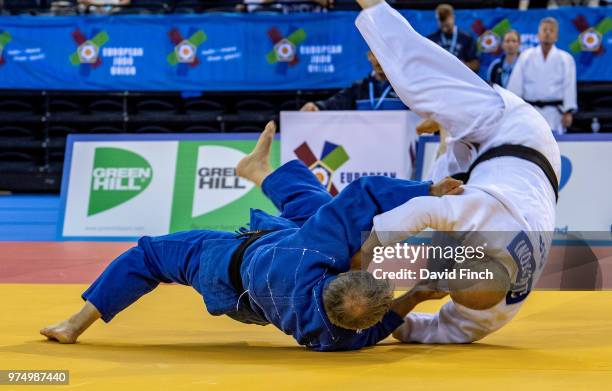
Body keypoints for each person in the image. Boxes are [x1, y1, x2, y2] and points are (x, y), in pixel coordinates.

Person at [40, 121, 462, 352]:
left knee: (147, 257)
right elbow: (376, 328)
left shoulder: (321, 250)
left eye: (367, 266)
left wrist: (428, 190)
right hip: (251, 301)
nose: (370, 262)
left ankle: (74, 325)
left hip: (225, 263)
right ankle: (256, 171)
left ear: (341, 269)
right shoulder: (336, 337)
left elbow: (364, 191)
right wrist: (420, 296)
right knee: (313, 205)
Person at [354, 0, 560, 343]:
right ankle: (374, 7)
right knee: (418, 87)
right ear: (477, 254)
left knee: (440, 188)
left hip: (492, 170)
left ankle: (449, 127)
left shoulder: (484, 319)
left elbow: (417, 331)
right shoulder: (497, 227)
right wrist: (365, 254)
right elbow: (420, 211)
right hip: (517, 133)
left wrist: (404, 301)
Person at [507, 17, 577, 134]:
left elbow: (569, 87)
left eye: (551, 30)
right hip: (530, 111)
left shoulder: (565, 58)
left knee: (554, 147)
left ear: (556, 36)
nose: (548, 33)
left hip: (555, 113)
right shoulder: (526, 56)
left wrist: (568, 111)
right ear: (538, 35)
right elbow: (515, 85)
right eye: (544, 30)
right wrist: (513, 109)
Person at [300, 51, 400, 111]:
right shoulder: (359, 87)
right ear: (369, 56)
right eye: (375, 54)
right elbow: (337, 102)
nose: (379, 59)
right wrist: (317, 106)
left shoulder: (403, 87)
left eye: (384, 54)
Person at [427, 4, 480, 73]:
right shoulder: (431, 40)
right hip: (438, 79)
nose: (443, 22)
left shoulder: (467, 39)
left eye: (445, 19)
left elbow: (476, 66)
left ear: (452, 17)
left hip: (459, 79)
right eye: (441, 19)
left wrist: (460, 65)